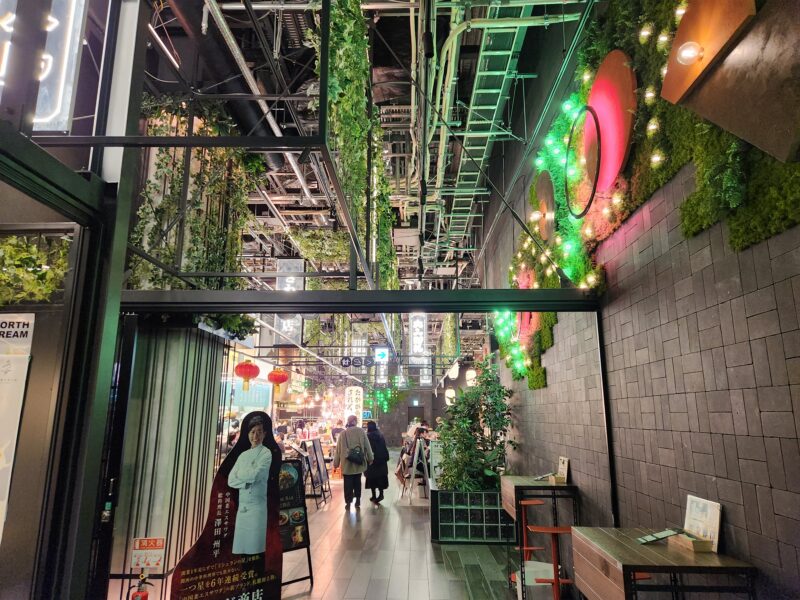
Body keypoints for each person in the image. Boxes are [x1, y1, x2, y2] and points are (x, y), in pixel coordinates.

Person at [229, 416, 273, 554]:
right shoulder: (243, 455)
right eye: (252, 432)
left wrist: (241, 474)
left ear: (264, 434)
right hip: (242, 509)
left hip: (256, 508)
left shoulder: (266, 453)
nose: (255, 436)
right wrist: (247, 481)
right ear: (248, 434)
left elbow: (256, 475)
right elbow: (231, 480)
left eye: (259, 432)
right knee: (240, 549)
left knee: (255, 548)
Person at [333, 415, 374, 510]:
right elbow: (367, 446)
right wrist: (370, 458)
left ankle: (348, 502)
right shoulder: (361, 431)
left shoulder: (343, 434)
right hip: (358, 463)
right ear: (355, 421)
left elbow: (338, 450)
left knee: (347, 484)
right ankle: (358, 500)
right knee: (357, 482)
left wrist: (336, 463)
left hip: (346, 464)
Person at [364, 421, 390, 504]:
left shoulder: (368, 436)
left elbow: (367, 449)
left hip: (372, 460)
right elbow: (384, 447)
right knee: (380, 478)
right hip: (381, 460)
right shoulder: (380, 435)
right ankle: (381, 494)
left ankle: (374, 495)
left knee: (372, 478)